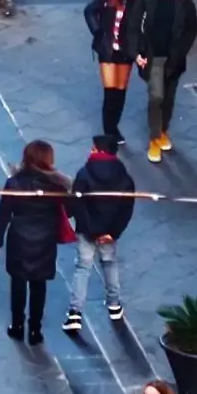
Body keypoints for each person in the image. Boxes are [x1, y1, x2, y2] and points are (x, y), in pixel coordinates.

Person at [0, 138, 70, 347]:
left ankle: (17, 325)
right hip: (45, 240)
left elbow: (3, 213)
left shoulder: (14, 182)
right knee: (39, 286)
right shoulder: (56, 185)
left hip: (19, 238)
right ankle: (35, 329)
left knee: (18, 284)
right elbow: (69, 209)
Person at [65, 132, 137, 334]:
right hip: (109, 233)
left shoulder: (84, 173)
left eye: (93, 148)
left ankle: (75, 313)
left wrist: (89, 230)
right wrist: (113, 232)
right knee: (109, 264)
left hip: (87, 232)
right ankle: (114, 305)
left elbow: (76, 205)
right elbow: (126, 208)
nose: (90, 150)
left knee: (82, 268)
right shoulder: (125, 178)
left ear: (99, 150)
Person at [132, 0, 197, 161]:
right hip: (154, 58)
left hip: (174, 59)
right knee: (156, 98)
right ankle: (154, 138)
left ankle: (163, 131)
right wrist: (137, 53)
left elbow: (191, 30)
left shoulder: (185, 3)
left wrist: (181, 52)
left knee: (169, 98)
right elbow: (134, 27)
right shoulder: (145, 0)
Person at [84, 0, 141, 146]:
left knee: (120, 91)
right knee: (110, 92)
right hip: (107, 49)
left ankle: (114, 126)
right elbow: (89, 11)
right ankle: (109, 130)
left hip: (125, 51)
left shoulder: (138, 1)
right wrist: (98, 32)